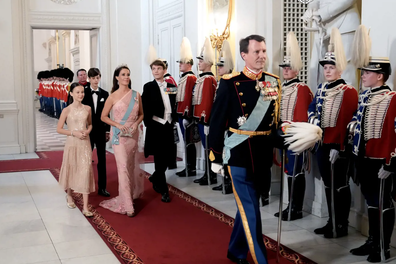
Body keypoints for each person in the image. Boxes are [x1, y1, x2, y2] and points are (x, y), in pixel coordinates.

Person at [209, 34, 285, 264]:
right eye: (256, 52)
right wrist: (216, 155)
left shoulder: (272, 81)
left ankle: (236, 250)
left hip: (262, 154)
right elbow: (216, 121)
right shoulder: (229, 82)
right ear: (244, 55)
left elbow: (273, 122)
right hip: (239, 153)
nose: (262, 56)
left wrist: (286, 137)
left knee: (249, 205)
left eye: (264, 51)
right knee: (251, 208)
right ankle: (260, 259)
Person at [308, 28, 358, 238]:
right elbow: (311, 109)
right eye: (326, 67)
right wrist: (314, 123)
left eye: (331, 67)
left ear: (340, 70)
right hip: (322, 144)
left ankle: (341, 224)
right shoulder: (320, 89)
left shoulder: (349, 91)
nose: (327, 71)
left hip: (338, 147)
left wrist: (340, 148)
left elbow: (347, 122)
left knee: (339, 186)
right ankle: (331, 221)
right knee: (328, 185)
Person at [274, 32, 313, 221]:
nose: (285, 70)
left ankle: (295, 208)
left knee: (296, 173)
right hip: (283, 136)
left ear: (296, 70)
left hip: (296, 137)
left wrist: (296, 137)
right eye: (284, 67)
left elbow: (302, 117)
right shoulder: (281, 88)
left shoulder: (302, 89)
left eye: (289, 68)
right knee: (288, 172)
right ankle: (289, 205)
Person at [99, 65, 145, 217]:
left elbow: (141, 115)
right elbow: (103, 116)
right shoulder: (112, 96)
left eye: (128, 74)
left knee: (130, 166)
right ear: (117, 77)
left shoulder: (136, 95)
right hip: (118, 135)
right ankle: (128, 205)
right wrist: (118, 124)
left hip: (132, 134)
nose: (126, 77)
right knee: (123, 167)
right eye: (123, 74)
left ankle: (128, 196)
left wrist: (135, 125)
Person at [301, 0, 360, 89]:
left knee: (345, 70)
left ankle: (346, 102)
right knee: (317, 69)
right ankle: (319, 101)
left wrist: (322, 13)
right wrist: (311, 11)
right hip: (321, 24)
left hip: (345, 22)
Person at [57, 82, 95, 217]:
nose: (81, 94)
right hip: (72, 143)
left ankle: (85, 206)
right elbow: (59, 128)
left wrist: (87, 131)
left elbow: (90, 124)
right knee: (72, 168)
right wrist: (74, 133)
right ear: (71, 93)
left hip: (85, 143)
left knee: (85, 170)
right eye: (77, 92)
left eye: (82, 92)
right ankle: (69, 195)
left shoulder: (88, 108)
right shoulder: (66, 110)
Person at [142, 59, 178, 203]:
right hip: (156, 126)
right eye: (153, 69)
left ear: (164, 70)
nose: (156, 71)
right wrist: (149, 123)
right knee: (159, 158)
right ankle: (164, 191)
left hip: (168, 126)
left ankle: (155, 176)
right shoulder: (149, 87)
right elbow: (145, 106)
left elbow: (174, 102)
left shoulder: (170, 86)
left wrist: (175, 118)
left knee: (167, 157)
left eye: (158, 68)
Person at [81, 68, 111, 197]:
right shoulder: (83, 93)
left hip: (100, 131)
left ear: (100, 78)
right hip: (87, 131)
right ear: (89, 79)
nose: (95, 80)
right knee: (86, 159)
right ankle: (84, 185)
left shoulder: (104, 94)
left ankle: (102, 188)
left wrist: (107, 130)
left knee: (102, 160)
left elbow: (107, 113)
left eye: (97, 77)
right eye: (92, 78)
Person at [192, 37, 218, 186]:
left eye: (201, 60)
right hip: (200, 118)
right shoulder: (202, 78)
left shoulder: (209, 79)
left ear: (208, 62)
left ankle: (211, 175)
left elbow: (208, 101)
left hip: (205, 119)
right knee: (205, 147)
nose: (199, 63)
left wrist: (206, 119)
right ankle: (207, 174)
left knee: (209, 148)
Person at [212, 39, 234, 194]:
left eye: (221, 65)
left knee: (227, 155)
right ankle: (224, 180)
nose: (218, 68)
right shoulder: (223, 81)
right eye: (218, 65)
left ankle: (228, 182)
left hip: (227, 124)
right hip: (222, 123)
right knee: (224, 154)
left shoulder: (229, 81)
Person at [175, 37, 198, 177]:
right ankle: (188, 166)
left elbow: (189, 97)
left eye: (182, 62)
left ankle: (191, 167)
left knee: (189, 142)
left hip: (185, 115)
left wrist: (186, 115)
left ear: (189, 64)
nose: (180, 65)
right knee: (186, 142)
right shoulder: (185, 77)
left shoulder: (190, 78)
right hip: (180, 113)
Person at [161, 59, 178, 170]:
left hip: (169, 114)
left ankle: (171, 162)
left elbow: (173, 94)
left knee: (170, 141)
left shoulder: (169, 79)